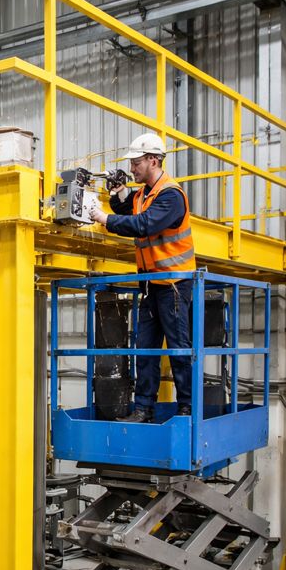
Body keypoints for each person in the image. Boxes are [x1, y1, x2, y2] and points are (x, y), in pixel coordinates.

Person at [89, 133, 195, 422]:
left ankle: (186, 407)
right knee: (145, 350)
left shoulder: (171, 195)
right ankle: (143, 409)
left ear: (153, 160)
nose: (133, 168)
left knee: (179, 348)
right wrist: (117, 192)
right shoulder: (145, 193)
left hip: (174, 283)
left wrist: (103, 218)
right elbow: (127, 208)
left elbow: (143, 224)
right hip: (151, 284)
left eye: (136, 163)